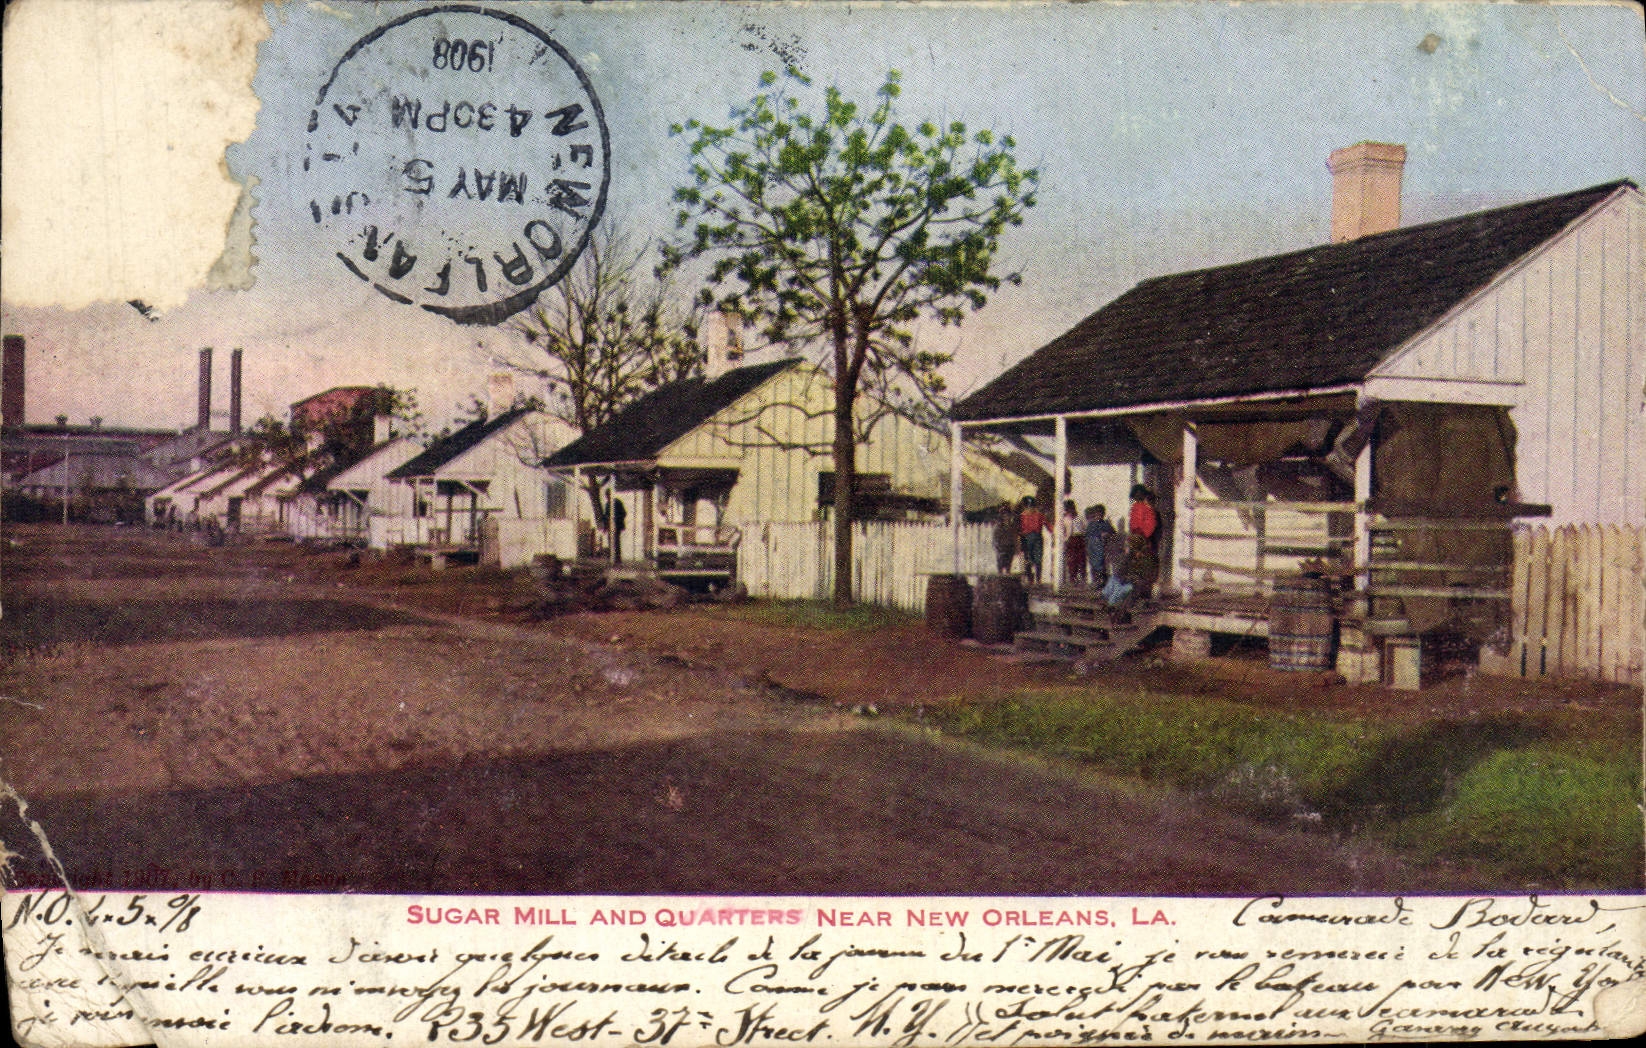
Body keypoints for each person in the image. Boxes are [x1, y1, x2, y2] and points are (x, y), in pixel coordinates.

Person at [1126, 484, 1160, 599]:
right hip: (1135, 540)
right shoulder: (1134, 508)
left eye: (1140, 494)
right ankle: (1135, 594)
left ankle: (1145, 595)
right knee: (1134, 567)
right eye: (1136, 494)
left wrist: (1143, 537)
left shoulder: (1148, 509)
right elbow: (1132, 524)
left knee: (1145, 567)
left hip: (1144, 541)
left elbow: (1151, 525)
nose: (1138, 496)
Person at [1018, 496, 1048, 583]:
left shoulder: (1039, 515)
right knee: (1028, 559)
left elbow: (1047, 524)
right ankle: (1030, 579)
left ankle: (1038, 579)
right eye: (1028, 506)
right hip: (1026, 538)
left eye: (1031, 506)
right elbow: (1018, 529)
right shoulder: (1021, 516)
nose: (1029, 508)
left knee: (1038, 559)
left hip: (1037, 538)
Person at [1085, 504, 1116, 587]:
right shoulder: (1091, 524)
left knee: (1101, 565)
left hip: (1102, 547)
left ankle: (1103, 581)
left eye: (1101, 513)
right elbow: (1087, 535)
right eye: (1097, 513)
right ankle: (1097, 581)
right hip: (1093, 548)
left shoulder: (1106, 524)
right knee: (1094, 564)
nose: (1099, 515)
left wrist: (1107, 534)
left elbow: (1113, 533)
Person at [1061, 499, 1086, 585]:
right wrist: (1064, 540)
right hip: (1070, 540)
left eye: (1072, 508)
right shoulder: (1065, 519)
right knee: (1072, 561)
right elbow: (1063, 531)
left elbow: (1084, 528)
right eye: (1068, 509)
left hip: (1079, 538)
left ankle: (1083, 578)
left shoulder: (1080, 517)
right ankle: (1073, 578)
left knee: (1081, 560)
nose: (1070, 511)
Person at [991, 503, 1019, 574]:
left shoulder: (1012, 527)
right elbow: (995, 539)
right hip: (1001, 548)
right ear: (1001, 516)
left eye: (1008, 515)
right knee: (1000, 566)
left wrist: (1016, 547)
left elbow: (1015, 538)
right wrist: (998, 548)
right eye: (1005, 515)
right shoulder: (998, 527)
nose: (1007, 517)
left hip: (1010, 548)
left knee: (1008, 567)